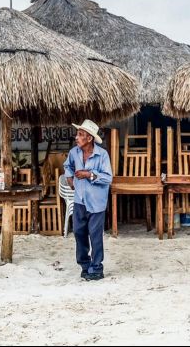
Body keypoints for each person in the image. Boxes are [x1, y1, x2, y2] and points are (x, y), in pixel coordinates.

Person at [63, 119, 112, 281]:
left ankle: (97, 267)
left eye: (80, 135)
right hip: (79, 199)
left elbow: (108, 178)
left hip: (97, 201)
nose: (76, 137)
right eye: (77, 134)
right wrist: (70, 178)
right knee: (79, 232)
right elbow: (67, 166)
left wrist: (89, 174)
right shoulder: (74, 153)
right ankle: (85, 265)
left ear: (89, 138)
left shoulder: (102, 155)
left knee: (95, 235)